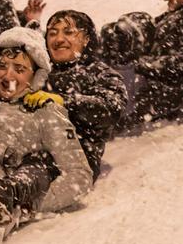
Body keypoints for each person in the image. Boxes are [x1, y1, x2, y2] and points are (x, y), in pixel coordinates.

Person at [0, 27, 94, 224]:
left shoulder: (44, 111)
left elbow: (79, 176)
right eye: (2, 66)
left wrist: (31, 205)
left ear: (35, 76)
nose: (7, 76)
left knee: (39, 164)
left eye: (19, 69)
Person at [26, 10, 126, 180]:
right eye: (52, 33)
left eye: (69, 32)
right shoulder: (36, 70)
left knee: (35, 168)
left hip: (73, 158)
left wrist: (64, 102)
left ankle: (8, 192)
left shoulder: (98, 72)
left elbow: (112, 108)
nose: (58, 39)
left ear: (86, 39)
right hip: (24, 145)